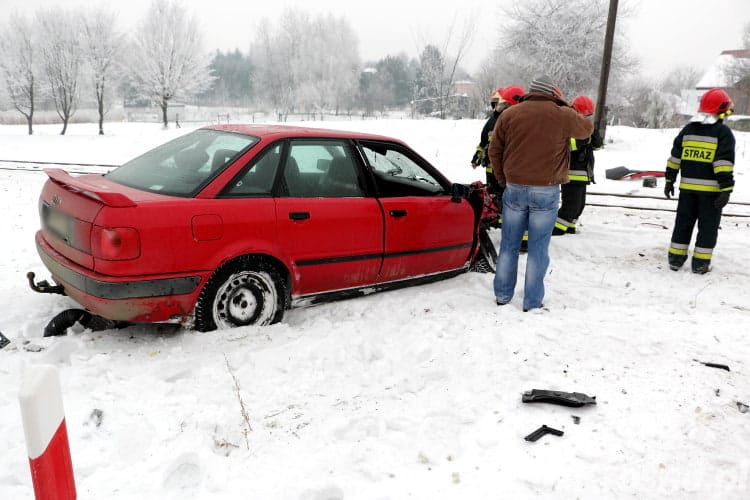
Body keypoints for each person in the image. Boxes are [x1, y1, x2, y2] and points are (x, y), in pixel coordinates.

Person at [488, 75, 593, 311]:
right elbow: (587, 129)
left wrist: (504, 178)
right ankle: (532, 301)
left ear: (530, 92)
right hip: (546, 190)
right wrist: (564, 105)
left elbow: (494, 150)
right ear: (553, 94)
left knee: (509, 245)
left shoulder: (509, 114)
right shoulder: (561, 114)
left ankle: (503, 295)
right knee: (537, 248)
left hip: (514, 188)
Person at [664, 87, 735, 274]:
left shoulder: (687, 130)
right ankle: (700, 264)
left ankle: (675, 259)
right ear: (721, 110)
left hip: (687, 190)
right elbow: (723, 164)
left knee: (683, 223)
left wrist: (669, 179)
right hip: (711, 194)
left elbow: (675, 158)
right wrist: (726, 188)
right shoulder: (723, 133)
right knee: (708, 228)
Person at [470, 85, 524, 226]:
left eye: (499, 104)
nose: (498, 107)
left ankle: (503, 218)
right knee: (494, 194)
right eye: (496, 104)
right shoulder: (491, 122)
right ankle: (497, 218)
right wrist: (477, 157)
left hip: (506, 168)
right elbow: (483, 143)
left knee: (506, 195)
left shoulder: (511, 120)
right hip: (491, 167)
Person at [553, 95, 603, 235]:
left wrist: (594, 136)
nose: (586, 118)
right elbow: (564, 145)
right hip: (571, 172)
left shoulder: (584, 125)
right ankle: (557, 228)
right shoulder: (566, 123)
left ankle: (569, 225)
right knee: (571, 205)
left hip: (582, 172)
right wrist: (583, 140)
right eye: (584, 115)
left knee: (579, 205)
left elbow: (597, 146)